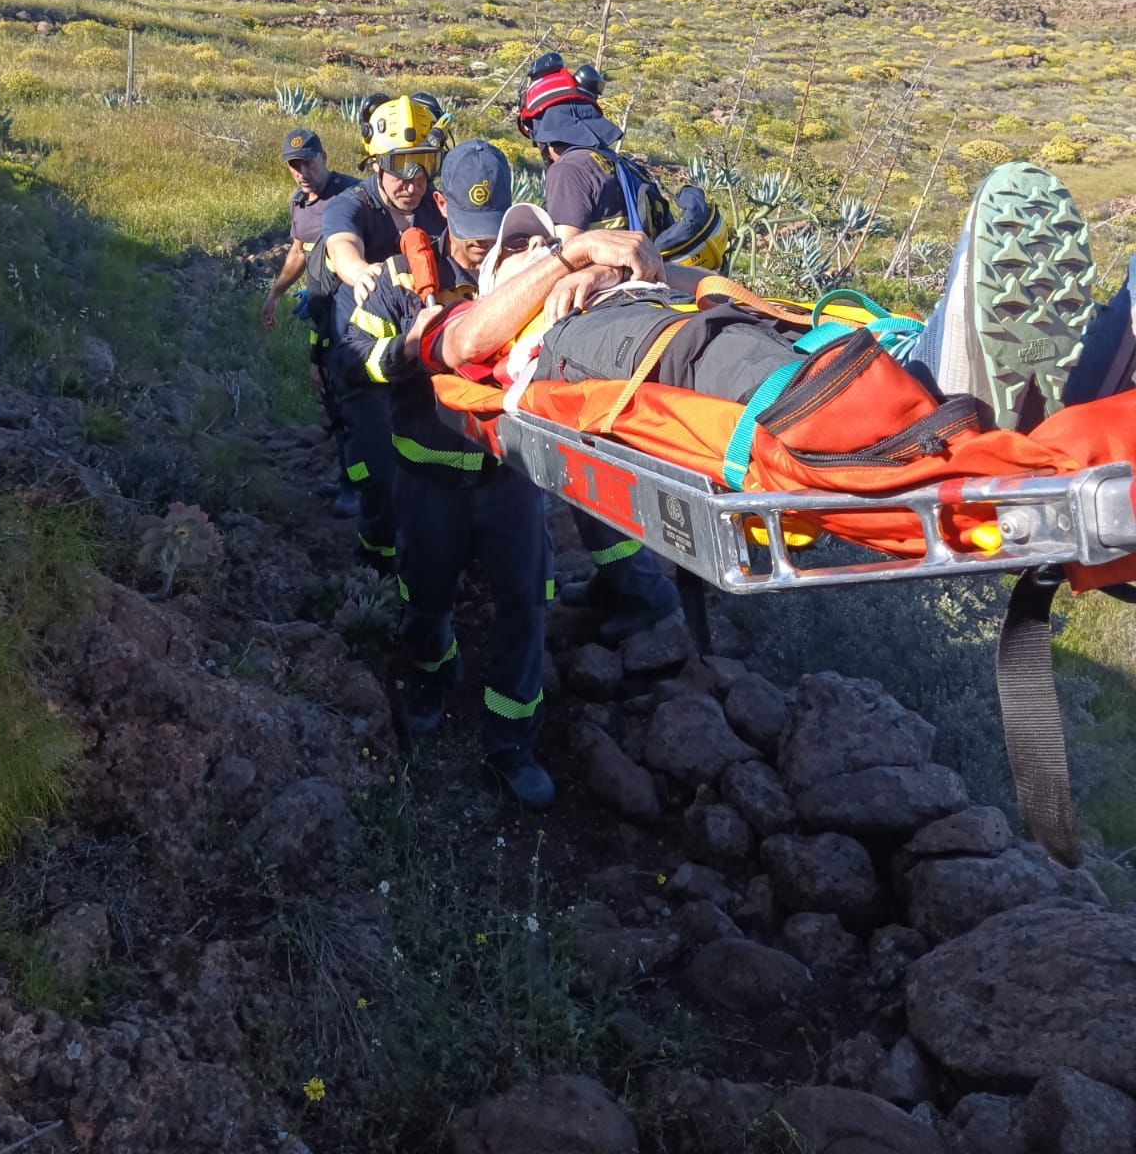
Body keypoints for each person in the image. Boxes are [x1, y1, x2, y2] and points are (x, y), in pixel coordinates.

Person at [340, 143, 658, 810]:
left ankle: (511, 742)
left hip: (507, 482)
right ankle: (432, 677)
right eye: (472, 237)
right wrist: (406, 348)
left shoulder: (531, 278)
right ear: (444, 207)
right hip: (427, 486)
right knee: (424, 597)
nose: (484, 253)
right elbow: (356, 356)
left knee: (524, 605)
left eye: (496, 238)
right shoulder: (398, 280)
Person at [427, 159, 1100, 452]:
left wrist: (636, 261)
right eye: (513, 249)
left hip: (662, 311)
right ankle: (922, 398)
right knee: (724, 359)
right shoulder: (492, 311)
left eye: (539, 235)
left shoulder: (583, 263)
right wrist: (566, 262)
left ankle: (932, 363)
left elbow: (698, 286)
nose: (531, 245)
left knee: (780, 329)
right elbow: (459, 349)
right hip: (595, 341)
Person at [515, 53, 685, 638]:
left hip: (599, 335)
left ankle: (641, 592)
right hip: (652, 324)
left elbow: (570, 262)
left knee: (579, 461)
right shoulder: (626, 166)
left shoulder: (569, 172)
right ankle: (623, 582)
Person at [321, 95, 451, 572]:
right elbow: (341, 246)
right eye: (399, 167)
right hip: (363, 360)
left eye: (423, 166)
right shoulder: (350, 205)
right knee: (378, 468)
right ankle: (374, 559)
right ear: (376, 163)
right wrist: (363, 273)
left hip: (417, 356)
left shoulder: (438, 209)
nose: (411, 182)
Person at [260, 127, 358, 513]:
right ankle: (347, 478)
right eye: (294, 165)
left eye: (309, 162)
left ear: (325, 158)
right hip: (324, 321)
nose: (303, 171)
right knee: (331, 400)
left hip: (356, 322)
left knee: (357, 408)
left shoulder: (354, 196)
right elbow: (299, 251)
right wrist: (276, 293)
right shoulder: (298, 203)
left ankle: (362, 490)